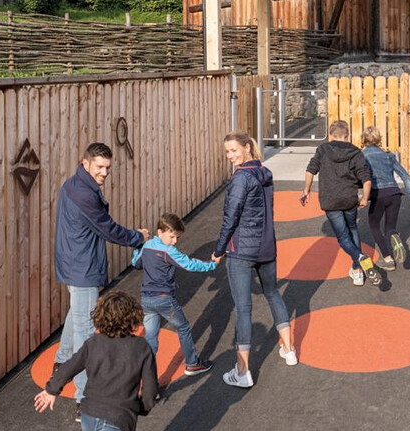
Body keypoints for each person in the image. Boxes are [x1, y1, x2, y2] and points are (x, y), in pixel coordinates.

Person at [53, 142, 149, 417]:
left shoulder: (72, 184)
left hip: (73, 261)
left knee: (78, 312)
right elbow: (108, 230)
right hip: (82, 266)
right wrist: (138, 237)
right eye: (99, 167)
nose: (104, 172)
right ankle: (83, 399)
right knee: (86, 333)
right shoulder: (84, 194)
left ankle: (61, 362)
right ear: (86, 163)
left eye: (107, 167)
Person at [213, 131, 297, 388]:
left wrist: (218, 249)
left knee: (243, 308)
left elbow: (231, 218)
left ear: (247, 148)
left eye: (234, 150)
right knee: (273, 293)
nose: (230, 156)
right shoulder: (264, 172)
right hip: (266, 247)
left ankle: (242, 370)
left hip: (241, 251)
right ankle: (289, 350)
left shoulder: (241, 178)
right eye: (227, 151)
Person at [35, 290, 159, 431]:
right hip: (119, 417)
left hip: (89, 414)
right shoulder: (141, 347)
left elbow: (68, 367)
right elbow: (150, 388)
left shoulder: (93, 343)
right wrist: (141, 407)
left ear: (100, 317)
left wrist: (51, 390)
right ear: (133, 317)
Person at [132, 213, 217, 376]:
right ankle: (192, 363)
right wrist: (212, 265)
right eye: (172, 237)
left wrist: (138, 246)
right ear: (160, 232)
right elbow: (189, 265)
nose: (174, 241)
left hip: (147, 299)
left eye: (177, 238)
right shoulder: (168, 251)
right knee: (183, 327)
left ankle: (147, 377)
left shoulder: (147, 246)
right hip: (164, 298)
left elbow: (136, 264)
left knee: (151, 338)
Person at [300, 120, 379, 285]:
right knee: (353, 228)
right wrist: (364, 198)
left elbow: (310, 170)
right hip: (349, 198)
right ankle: (357, 270)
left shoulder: (323, 149)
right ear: (347, 135)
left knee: (343, 236)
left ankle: (359, 257)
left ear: (330, 135)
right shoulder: (356, 152)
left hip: (330, 200)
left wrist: (306, 191)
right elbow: (366, 179)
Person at [360, 126, 410, 272]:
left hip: (378, 194)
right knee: (389, 228)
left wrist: (360, 196)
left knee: (374, 225)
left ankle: (388, 258)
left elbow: (362, 177)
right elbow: (405, 176)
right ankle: (394, 236)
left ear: (363, 140)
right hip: (395, 194)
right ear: (379, 139)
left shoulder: (363, 156)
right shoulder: (388, 155)